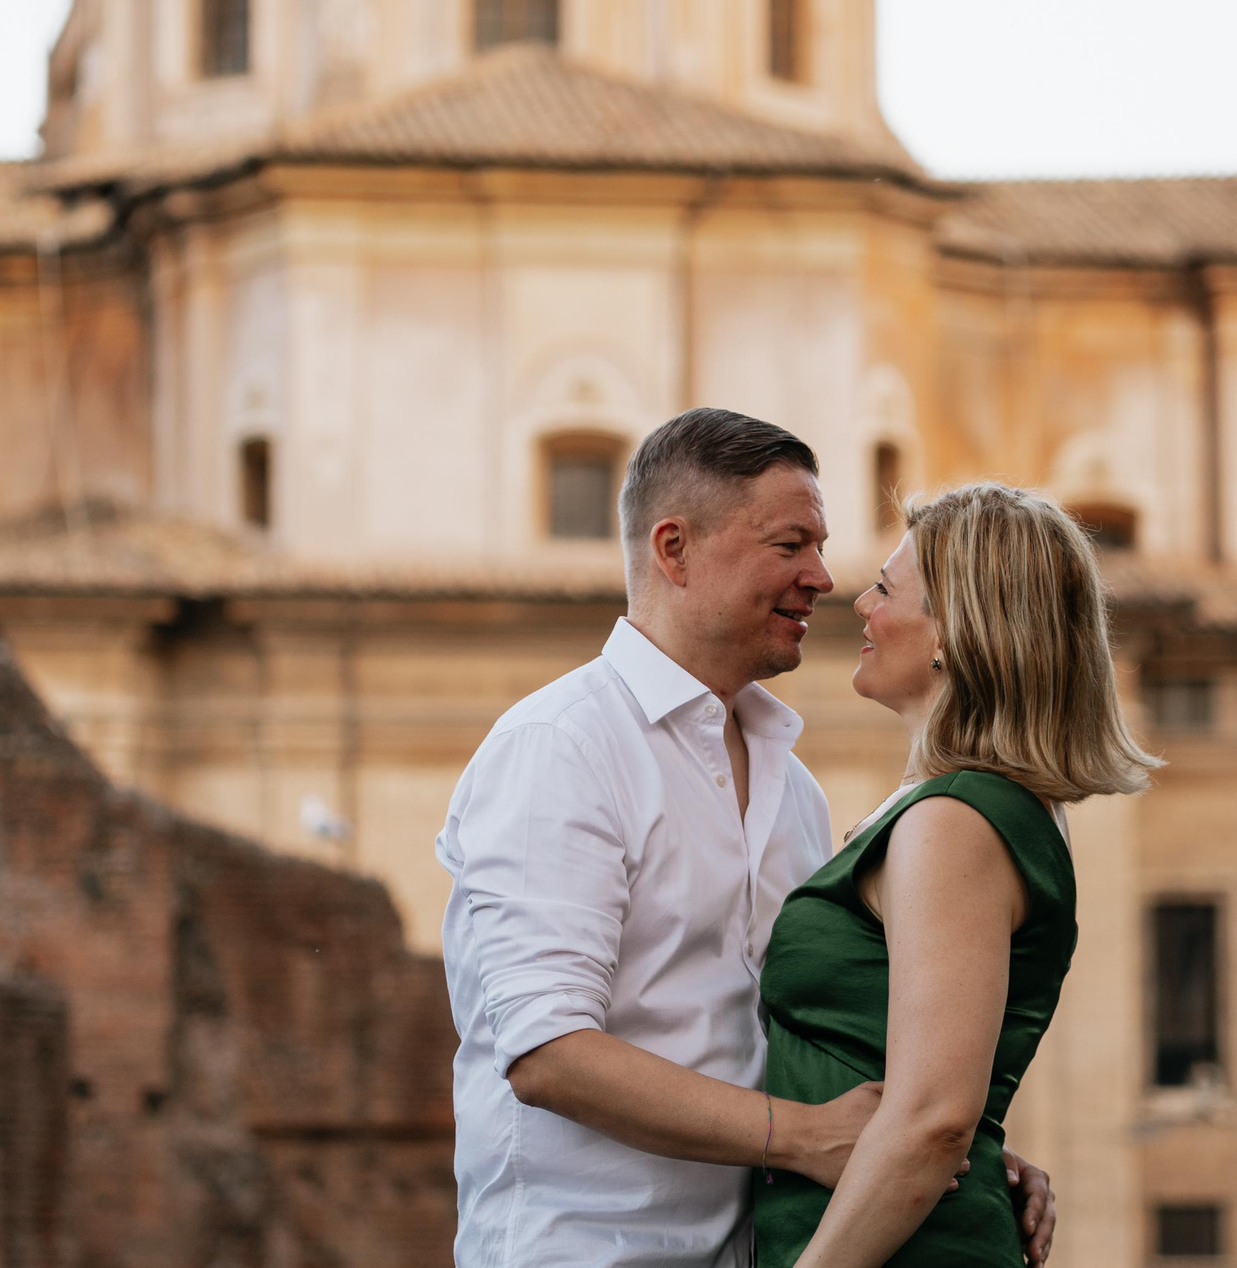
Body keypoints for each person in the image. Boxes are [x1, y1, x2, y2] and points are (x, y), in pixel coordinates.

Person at [436, 410, 1055, 1268]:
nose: (823, 577)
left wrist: (936, 1152)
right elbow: (548, 1054)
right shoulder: (561, 745)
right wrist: (805, 1136)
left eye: (820, 547)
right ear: (674, 549)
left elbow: (797, 1038)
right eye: (790, 544)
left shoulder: (791, 786)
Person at [753, 483, 1161, 1268]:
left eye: (885, 586)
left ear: (954, 630)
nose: (860, 604)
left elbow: (934, 1118)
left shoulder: (955, 820)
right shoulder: (973, 809)